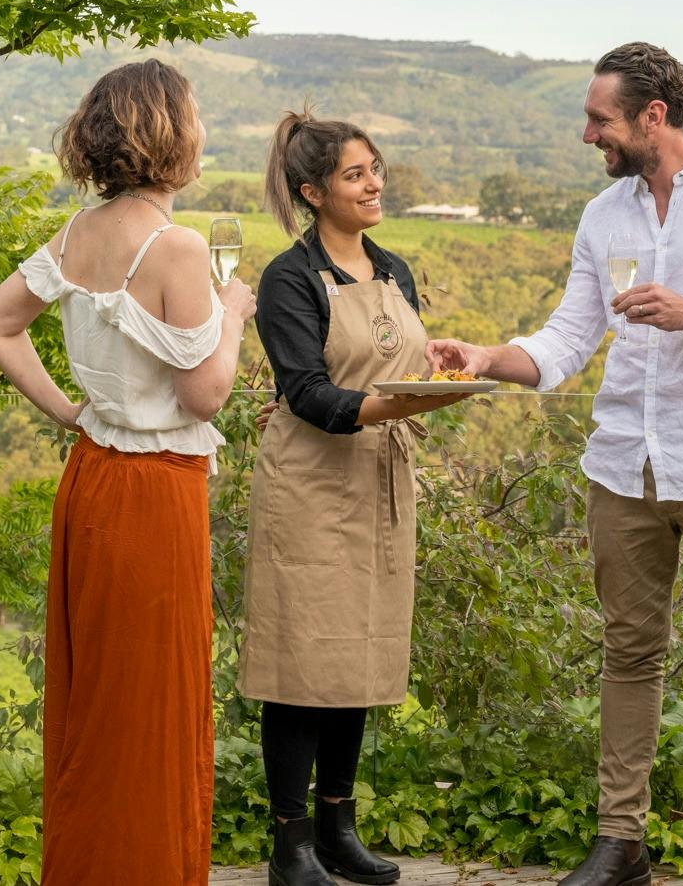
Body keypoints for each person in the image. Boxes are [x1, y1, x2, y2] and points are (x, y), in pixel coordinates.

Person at [428, 42, 683, 886]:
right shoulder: (604, 215)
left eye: (599, 118)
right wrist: (486, 355)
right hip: (621, 465)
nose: (586, 133)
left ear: (653, 115)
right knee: (628, 654)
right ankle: (621, 844)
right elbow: (568, 340)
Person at [0, 59, 254, 886]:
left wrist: (70, 413)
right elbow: (204, 395)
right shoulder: (177, 246)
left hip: (91, 478)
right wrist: (234, 316)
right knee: (151, 705)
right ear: (171, 133)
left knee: (97, 702)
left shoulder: (77, 235)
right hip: (156, 492)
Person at [243, 110, 476, 886]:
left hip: (380, 482)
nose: (374, 182)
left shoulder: (396, 268)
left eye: (375, 167)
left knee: (361, 655)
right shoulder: (289, 277)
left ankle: (340, 828)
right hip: (310, 487)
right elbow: (305, 392)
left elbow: (400, 358)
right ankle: (291, 843)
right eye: (354, 173)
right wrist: (397, 405)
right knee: (303, 662)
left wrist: (434, 369)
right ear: (313, 191)